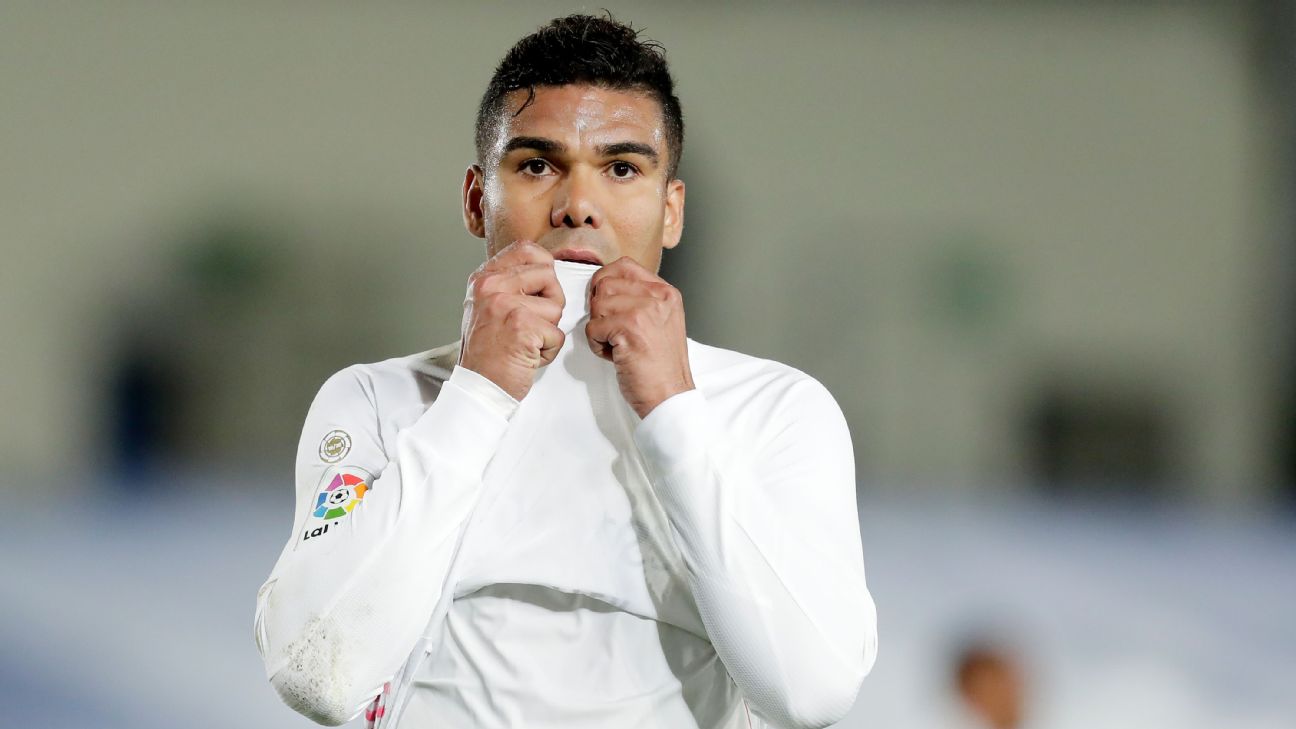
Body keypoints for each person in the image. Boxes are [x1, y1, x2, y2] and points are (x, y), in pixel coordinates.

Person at [254, 13, 877, 729]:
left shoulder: (776, 412)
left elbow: (810, 693)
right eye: (536, 166)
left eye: (622, 169)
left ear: (672, 211)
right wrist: (478, 394)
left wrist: (672, 411)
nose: (578, 206)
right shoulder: (375, 402)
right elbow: (316, 676)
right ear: (475, 200)